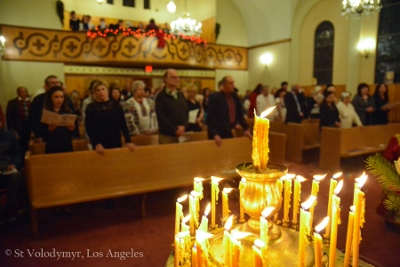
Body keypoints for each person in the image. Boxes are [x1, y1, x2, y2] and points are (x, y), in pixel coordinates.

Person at [85, 81, 135, 155]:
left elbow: (123, 124)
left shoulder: (116, 105)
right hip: (99, 142)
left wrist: (128, 141)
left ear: (107, 91)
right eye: (98, 90)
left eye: (103, 89)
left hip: (115, 139)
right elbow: (89, 128)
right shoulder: (91, 107)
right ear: (94, 93)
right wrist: (96, 143)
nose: (101, 92)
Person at [207, 76, 251, 147]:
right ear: (224, 85)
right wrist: (215, 134)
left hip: (228, 130)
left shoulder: (234, 96)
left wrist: (246, 128)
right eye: (231, 83)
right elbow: (211, 118)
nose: (233, 85)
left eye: (233, 83)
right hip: (217, 132)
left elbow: (239, 114)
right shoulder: (215, 98)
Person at [38, 86, 77, 154]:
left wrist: (72, 129)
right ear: (51, 98)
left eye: (61, 97)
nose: (59, 100)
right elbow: (40, 132)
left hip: (66, 144)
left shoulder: (68, 111)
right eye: (56, 97)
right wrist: (49, 129)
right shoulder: (45, 113)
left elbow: (74, 133)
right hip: (52, 145)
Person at [0, 117, 24, 224]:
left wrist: (14, 164)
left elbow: (17, 153)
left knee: (17, 176)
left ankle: (9, 207)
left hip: (7, 169)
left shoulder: (8, 136)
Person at [155, 69, 188, 144]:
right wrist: (175, 129)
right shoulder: (161, 96)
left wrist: (184, 126)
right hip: (167, 135)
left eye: (177, 77)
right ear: (166, 79)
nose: (177, 80)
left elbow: (186, 112)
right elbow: (161, 116)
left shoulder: (180, 95)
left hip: (181, 134)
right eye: (174, 77)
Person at [29, 75, 62, 142]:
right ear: (46, 86)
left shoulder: (66, 98)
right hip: (46, 134)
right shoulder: (38, 99)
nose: (56, 85)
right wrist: (38, 135)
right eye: (53, 83)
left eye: (58, 82)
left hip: (63, 134)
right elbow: (33, 118)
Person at [6, 86, 31, 158]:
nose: (24, 93)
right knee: (20, 144)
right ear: (18, 93)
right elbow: (9, 116)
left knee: (28, 144)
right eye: (22, 92)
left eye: (25, 91)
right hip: (18, 128)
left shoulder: (30, 101)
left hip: (29, 127)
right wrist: (11, 129)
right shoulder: (12, 103)